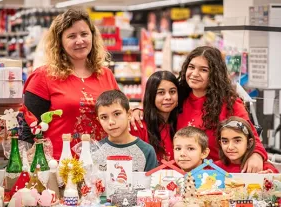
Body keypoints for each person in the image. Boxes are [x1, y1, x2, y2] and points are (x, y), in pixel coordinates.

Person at [131, 46, 268, 172]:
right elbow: (158, 103)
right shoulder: (180, 97)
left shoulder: (229, 103)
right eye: (191, 67)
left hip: (219, 175)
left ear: (214, 75)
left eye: (203, 70)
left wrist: (256, 155)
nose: (194, 73)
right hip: (184, 177)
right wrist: (139, 111)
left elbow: (251, 136)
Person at [22, 9, 119, 160]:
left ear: (92, 36)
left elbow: (119, 114)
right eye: (71, 36)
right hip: (58, 165)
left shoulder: (106, 75)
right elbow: (27, 126)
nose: (79, 41)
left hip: (100, 164)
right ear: (59, 42)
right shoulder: (43, 76)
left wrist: (136, 112)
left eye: (84, 34)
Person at [93, 90, 158, 172]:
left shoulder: (147, 151)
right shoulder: (94, 151)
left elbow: (152, 183)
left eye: (117, 114)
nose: (111, 122)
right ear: (99, 120)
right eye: (104, 117)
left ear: (129, 114)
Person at [130, 71, 178, 163]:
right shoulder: (138, 124)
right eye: (161, 92)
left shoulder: (179, 122)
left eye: (172, 92)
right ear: (151, 96)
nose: (168, 97)